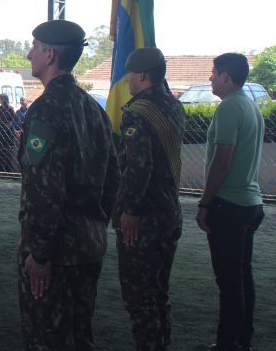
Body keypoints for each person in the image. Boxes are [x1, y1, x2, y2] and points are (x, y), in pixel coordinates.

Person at [18, 20, 119, 351]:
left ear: (49, 54)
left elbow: (43, 189)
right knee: (80, 334)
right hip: (90, 241)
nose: (29, 53)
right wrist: (94, 223)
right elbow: (113, 179)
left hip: (57, 250)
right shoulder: (93, 109)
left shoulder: (46, 110)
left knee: (48, 336)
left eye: (34, 46)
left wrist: (40, 251)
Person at [113, 47, 185, 351]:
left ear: (141, 75)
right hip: (168, 211)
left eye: (130, 73)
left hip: (143, 219)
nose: (128, 79)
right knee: (158, 294)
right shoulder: (173, 106)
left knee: (140, 298)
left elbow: (138, 166)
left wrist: (130, 209)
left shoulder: (138, 113)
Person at [196, 53, 265, 351]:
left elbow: (222, 161)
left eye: (213, 72)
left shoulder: (228, 109)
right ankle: (242, 340)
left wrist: (205, 203)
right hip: (251, 204)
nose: (210, 78)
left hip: (229, 206)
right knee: (241, 275)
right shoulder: (251, 107)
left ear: (226, 76)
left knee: (229, 281)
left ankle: (227, 344)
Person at [0, 93, 16, 172]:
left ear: (4, 99)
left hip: (8, 131)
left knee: (7, 150)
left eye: (0, 98)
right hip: (0, 130)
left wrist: (8, 125)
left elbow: (13, 120)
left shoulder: (10, 108)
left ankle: (7, 168)